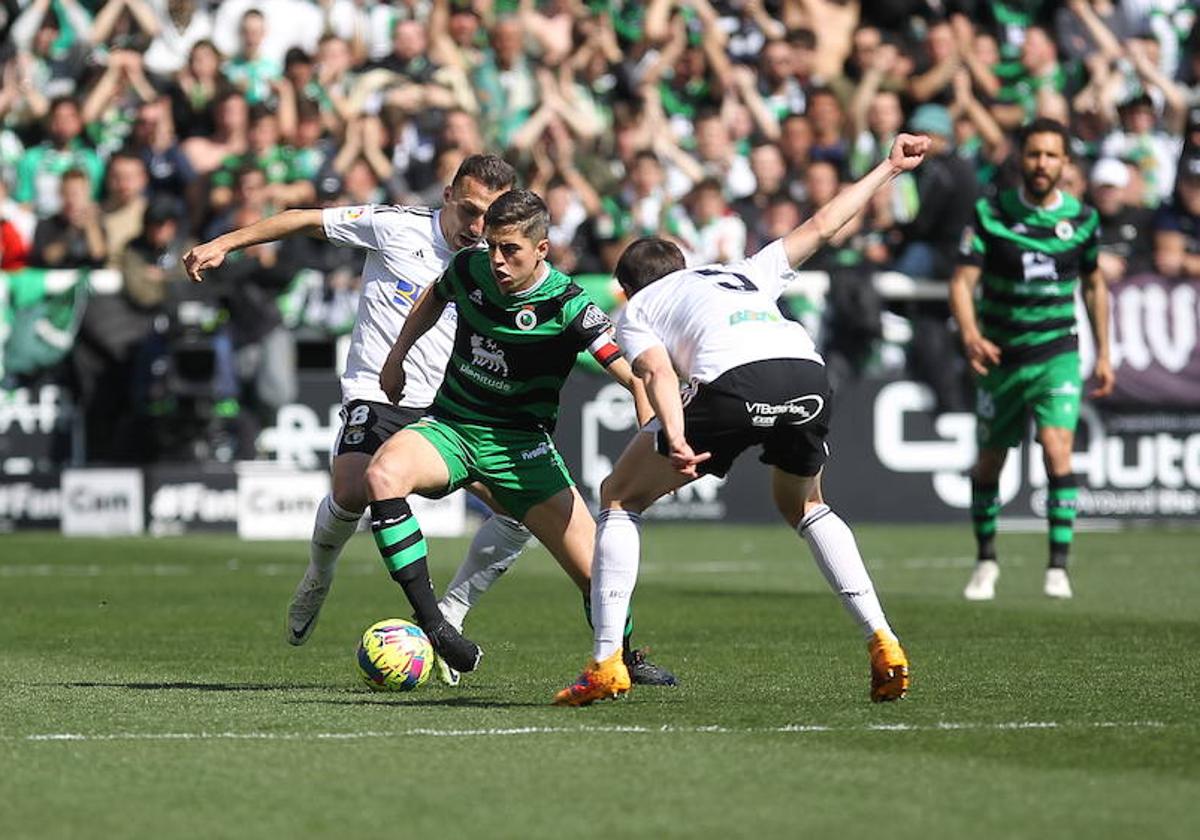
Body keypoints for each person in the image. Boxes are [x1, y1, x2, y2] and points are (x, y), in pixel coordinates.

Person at [552, 135, 931, 707]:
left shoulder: (639, 306)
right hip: (806, 372)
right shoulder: (743, 271)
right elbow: (826, 225)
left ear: (626, 287)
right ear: (685, 265)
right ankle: (883, 637)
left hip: (736, 381)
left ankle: (607, 660)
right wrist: (889, 168)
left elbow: (654, 372)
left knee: (619, 496)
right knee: (804, 504)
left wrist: (675, 437)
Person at [181, 154, 536, 661]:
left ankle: (453, 610)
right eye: (471, 211)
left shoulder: (498, 260)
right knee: (350, 492)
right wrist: (223, 244)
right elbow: (304, 218)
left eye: (492, 215)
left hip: (454, 406)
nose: (478, 227)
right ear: (448, 196)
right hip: (380, 392)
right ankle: (318, 575)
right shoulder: (395, 227)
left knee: (520, 514)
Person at [365, 189, 673, 682]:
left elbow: (634, 373)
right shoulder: (470, 269)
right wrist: (396, 356)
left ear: (542, 251)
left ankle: (626, 659)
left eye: (511, 250)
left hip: (523, 450)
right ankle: (435, 626)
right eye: (492, 246)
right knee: (381, 474)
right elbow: (434, 297)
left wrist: (655, 432)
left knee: (599, 574)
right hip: (452, 427)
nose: (498, 260)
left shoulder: (569, 304)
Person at [951, 118, 1115, 603]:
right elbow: (962, 281)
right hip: (1001, 356)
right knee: (988, 463)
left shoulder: (1083, 221)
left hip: (1056, 353)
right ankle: (985, 561)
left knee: (1057, 446)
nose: (1042, 164)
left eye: (1051, 156)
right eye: (1034, 154)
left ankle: (1058, 567)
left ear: (1066, 163)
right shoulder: (991, 213)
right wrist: (971, 334)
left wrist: (1105, 352)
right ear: (1021, 159)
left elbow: (1093, 284)